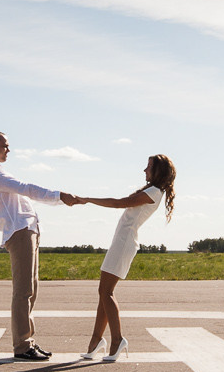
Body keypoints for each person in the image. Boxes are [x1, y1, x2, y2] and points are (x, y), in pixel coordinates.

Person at [62, 154, 177, 361]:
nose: (144, 170)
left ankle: (117, 340)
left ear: (158, 171)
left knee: (106, 292)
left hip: (124, 244)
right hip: (121, 243)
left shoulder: (153, 192)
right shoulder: (152, 191)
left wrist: (88, 199)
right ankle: (96, 341)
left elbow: (118, 203)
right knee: (103, 293)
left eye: (148, 167)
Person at [0, 130, 67, 361]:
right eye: (4, 146)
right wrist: (59, 196)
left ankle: (28, 343)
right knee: (23, 291)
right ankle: (22, 346)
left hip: (27, 230)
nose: (9, 149)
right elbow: (25, 187)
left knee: (31, 290)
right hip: (19, 232)